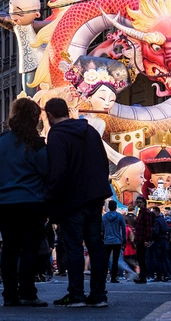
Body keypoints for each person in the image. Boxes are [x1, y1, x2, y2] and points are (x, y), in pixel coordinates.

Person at [44, 97, 111, 308]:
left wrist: (50, 197)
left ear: (50, 115)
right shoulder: (90, 131)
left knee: (73, 247)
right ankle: (99, 294)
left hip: (72, 200)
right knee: (95, 245)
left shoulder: (56, 135)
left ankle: (76, 294)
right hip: (94, 197)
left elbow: (58, 170)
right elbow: (103, 162)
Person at [0, 97, 48, 307]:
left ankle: (9, 294)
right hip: (31, 200)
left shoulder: (2, 140)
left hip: (4, 201)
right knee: (30, 247)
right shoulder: (36, 143)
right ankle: (28, 292)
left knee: (10, 247)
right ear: (35, 118)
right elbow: (45, 169)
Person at [0, 0, 48, 95]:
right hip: (27, 63)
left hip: (42, 60)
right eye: (12, 12)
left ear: (37, 14)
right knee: (29, 92)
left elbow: (54, 25)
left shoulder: (35, 26)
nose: (15, 17)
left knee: (38, 89)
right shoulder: (15, 25)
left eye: (20, 13)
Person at [102, 200, 127, 283]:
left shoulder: (104, 217)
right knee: (115, 260)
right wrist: (124, 240)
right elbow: (123, 229)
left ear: (108, 207)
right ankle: (114, 277)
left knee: (105, 260)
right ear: (116, 207)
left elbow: (101, 229)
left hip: (107, 240)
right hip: (117, 240)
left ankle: (104, 277)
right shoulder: (120, 216)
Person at [133, 195, 155, 284]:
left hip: (142, 238)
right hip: (139, 238)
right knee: (140, 258)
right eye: (137, 202)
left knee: (142, 258)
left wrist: (147, 239)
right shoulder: (141, 212)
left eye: (140, 202)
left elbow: (148, 227)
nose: (139, 204)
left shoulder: (145, 212)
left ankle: (143, 277)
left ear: (144, 203)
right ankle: (142, 276)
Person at [151, 206, 171, 282]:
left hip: (158, 241)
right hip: (164, 240)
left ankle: (160, 275)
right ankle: (166, 274)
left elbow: (156, 231)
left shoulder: (156, 220)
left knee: (158, 259)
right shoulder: (162, 219)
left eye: (153, 212)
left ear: (157, 212)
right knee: (163, 259)